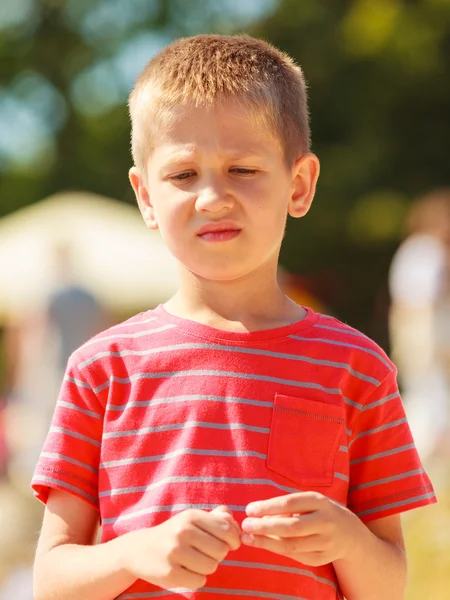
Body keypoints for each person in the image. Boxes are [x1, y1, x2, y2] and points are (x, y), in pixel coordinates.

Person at [31, 34, 436, 600]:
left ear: (299, 184)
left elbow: (389, 584)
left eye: (242, 170)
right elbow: (51, 581)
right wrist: (132, 553)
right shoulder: (101, 369)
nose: (212, 198)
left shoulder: (358, 368)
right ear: (145, 196)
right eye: (182, 175)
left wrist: (347, 541)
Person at [388, 189, 450, 463]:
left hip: (417, 328)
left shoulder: (415, 249)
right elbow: (419, 302)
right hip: (423, 330)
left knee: (427, 392)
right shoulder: (426, 251)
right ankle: (412, 458)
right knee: (429, 392)